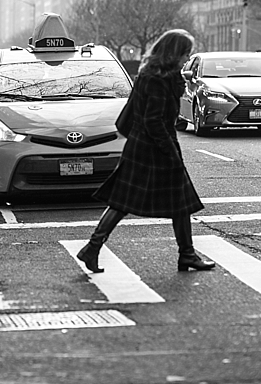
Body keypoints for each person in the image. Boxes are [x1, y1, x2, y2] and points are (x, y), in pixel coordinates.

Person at [76, 29, 215, 273]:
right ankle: (93, 247)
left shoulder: (150, 75)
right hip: (154, 149)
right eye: (185, 54)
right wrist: (170, 153)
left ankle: (186, 254)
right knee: (144, 201)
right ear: (173, 54)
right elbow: (154, 121)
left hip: (141, 146)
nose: (187, 59)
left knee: (154, 202)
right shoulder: (159, 80)